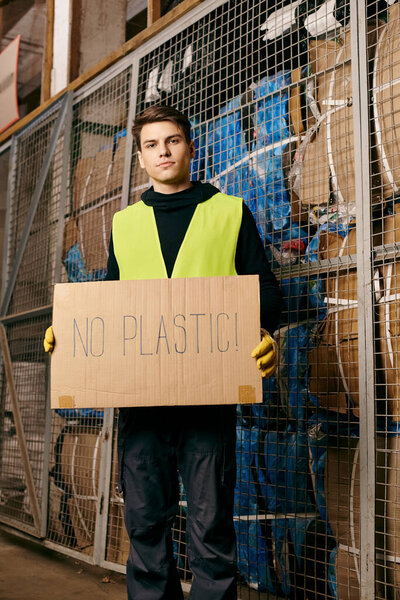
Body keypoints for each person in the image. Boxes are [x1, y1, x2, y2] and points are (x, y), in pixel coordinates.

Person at [44, 104, 282, 600]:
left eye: (172, 141)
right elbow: (111, 299)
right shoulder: (124, 223)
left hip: (206, 398)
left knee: (211, 519)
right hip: (141, 403)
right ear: (140, 157)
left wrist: (265, 333)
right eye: (151, 145)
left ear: (190, 147)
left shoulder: (229, 212)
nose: (163, 152)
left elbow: (264, 290)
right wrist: (68, 333)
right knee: (146, 517)